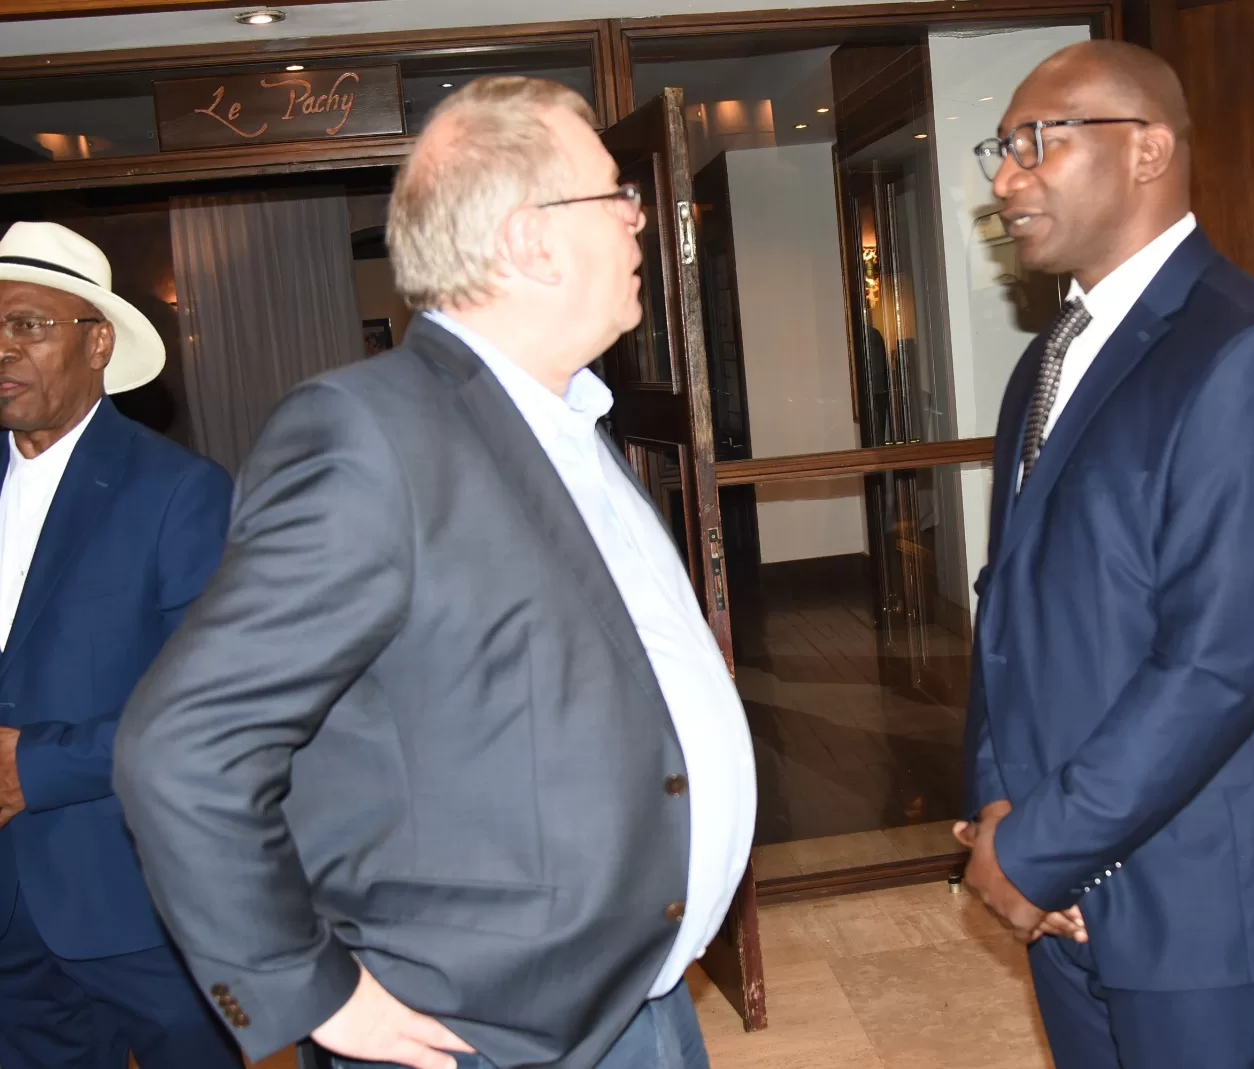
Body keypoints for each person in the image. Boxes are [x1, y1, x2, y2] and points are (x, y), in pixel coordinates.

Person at [113, 75, 756, 1069]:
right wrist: (305, 986)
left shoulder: (567, 419)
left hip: (633, 993)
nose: (639, 220)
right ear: (530, 240)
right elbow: (185, 744)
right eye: (615, 196)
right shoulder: (369, 434)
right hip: (478, 1029)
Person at [954, 40, 1254, 1068]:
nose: (1006, 179)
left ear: (1147, 150)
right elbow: (1010, 605)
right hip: (1063, 884)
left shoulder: (1249, 354)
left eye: (1036, 142)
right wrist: (1003, 808)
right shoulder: (1044, 361)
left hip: (1212, 904)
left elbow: (1218, 667)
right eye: (1001, 150)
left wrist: (1038, 846)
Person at [0, 221, 237, 1068]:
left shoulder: (178, 490)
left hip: (135, 897)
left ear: (97, 342)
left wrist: (35, 768)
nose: (3, 347)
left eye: (27, 324)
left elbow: (209, 702)